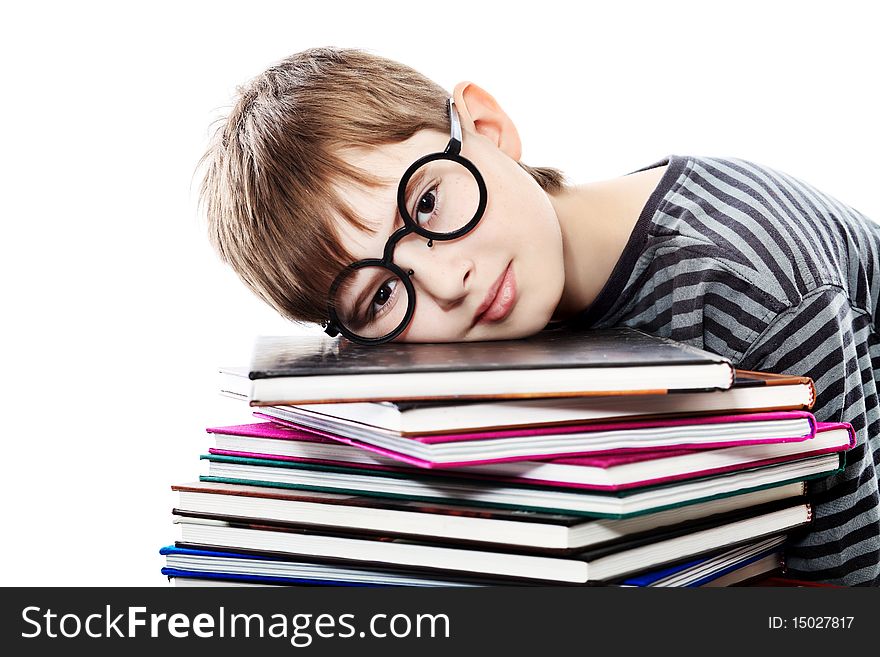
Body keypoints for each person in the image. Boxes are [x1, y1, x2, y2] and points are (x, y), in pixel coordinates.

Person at [198, 47, 880, 585]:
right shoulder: (499, 314)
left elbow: (841, 595)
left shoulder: (748, 283)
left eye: (428, 203)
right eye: (379, 295)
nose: (448, 280)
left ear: (488, 129)